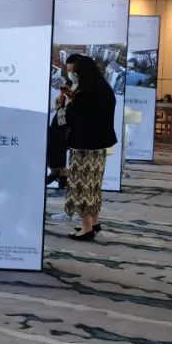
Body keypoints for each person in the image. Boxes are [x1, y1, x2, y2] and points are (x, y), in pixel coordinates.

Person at [62, 55, 117, 241]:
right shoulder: (105, 89)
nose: (73, 76)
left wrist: (68, 103)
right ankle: (94, 222)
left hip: (83, 147)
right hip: (99, 147)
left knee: (81, 187)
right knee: (94, 185)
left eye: (75, 73)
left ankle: (86, 229)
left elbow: (71, 118)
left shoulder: (85, 94)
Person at [47, 54, 83, 189]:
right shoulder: (69, 83)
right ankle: (55, 170)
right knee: (51, 137)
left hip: (74, 119)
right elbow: (58, 105)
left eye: (73, 70)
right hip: (61, 116)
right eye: (68, 70)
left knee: (61, 139)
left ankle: (62, 171)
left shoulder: (86, 86)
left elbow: (83, 106)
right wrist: (61, 97)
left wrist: (71, 96)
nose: (71, 73)